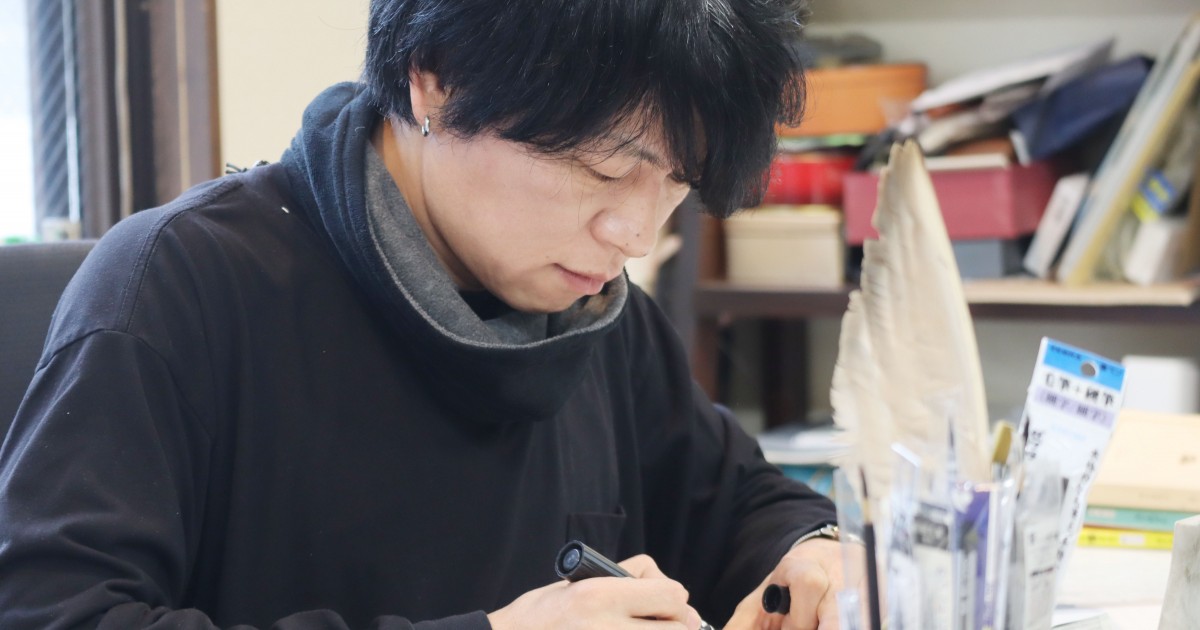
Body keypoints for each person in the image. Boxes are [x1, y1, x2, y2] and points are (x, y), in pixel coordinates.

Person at [0, 0, 847, 628]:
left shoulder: (595, 314)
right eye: (601, 169)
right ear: (435, 79)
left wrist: (811, 556)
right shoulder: (178, 287)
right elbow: (54, 613)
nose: (633, 234)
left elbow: (742, 504)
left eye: (677, 183)